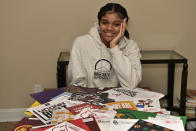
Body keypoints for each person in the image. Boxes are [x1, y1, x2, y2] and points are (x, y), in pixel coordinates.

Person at [67, 3, 142, 89]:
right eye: (105, 23)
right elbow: (77, 82)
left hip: (120, 100)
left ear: (124, 25)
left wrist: (114, 48)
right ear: (99, 23)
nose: (109, 28)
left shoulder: (131, 46)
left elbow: (131, 84)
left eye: (116, 24)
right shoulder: (80, 43)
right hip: (88, 98)